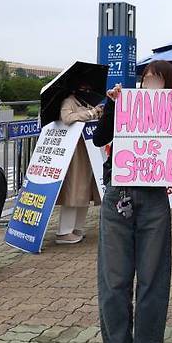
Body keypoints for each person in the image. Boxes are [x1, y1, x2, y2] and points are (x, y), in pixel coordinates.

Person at [94, 60, 172, 343]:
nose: (151, 86)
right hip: (118, 193)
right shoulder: (124, 105)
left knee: (153, 275)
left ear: (171, 85)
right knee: (114, 277)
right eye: (147, 79)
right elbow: (98, 138)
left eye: (160, 81)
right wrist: (111, 104)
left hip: (154, 199)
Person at [54, 81, 103, 244]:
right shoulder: (69, 101)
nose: (86, 90)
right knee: (74, 188)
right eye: (83, 87)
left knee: (85, 189)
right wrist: (89, 114)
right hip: (74, 151)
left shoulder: (87, 102)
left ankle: (78, 228)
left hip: (89, 150)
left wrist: (97, 112)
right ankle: (64, 231)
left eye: (88, 88)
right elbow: (66, 118)